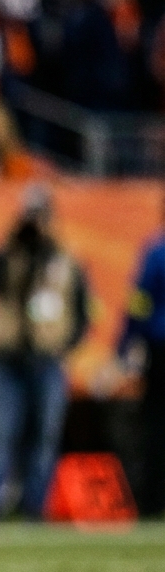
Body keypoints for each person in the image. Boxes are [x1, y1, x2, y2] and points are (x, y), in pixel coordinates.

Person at [0, 185, 90, 517]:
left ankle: (35, 509)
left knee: (44, 439)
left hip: (47, 359)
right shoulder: (11, 254)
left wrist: (62, 347)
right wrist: (12, 244)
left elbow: (82, 314)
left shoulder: (66, 260)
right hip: (7, 359)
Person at [119, 196, 165, 517]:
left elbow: (139, 303)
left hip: (160, 350)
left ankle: (151, 502)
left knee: (156, 429)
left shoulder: (156, 252)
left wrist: (125, 345)